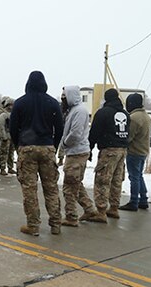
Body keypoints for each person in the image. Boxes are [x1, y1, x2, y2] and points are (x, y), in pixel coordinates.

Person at [9, 71, 64, 236]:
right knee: (51, 188)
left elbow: (12, 128)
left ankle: (33, 225)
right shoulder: (53, 103)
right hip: (47, 147)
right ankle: (56, 224)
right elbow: (59, 128)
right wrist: (52, 145)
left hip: (27, 148)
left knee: (29, 189)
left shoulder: (20, 103)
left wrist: (19, 145)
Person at [88, 88, 130, 223]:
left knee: (103, 180)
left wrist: (89, 147)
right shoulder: (125, 114)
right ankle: (114, 207)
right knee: (117, 180)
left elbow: (94, 132)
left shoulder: (103, 113)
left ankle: (101, 211)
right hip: (122, 149)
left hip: (109, 150)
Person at [60, 86, 97, 227]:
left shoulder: (79, 111)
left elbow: (75, 133)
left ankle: (71, 217)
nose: (62, 99)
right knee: (76, 184)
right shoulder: (74, 110)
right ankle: (89, 209)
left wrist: (64, 143)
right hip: (75, 152)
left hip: (76, 153)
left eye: (64, 96)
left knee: (69, 187)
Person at [119, 93, 151, 211]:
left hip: (134, 151)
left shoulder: (134, 118)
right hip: (143, 151)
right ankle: (143, 199)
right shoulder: (146, 116)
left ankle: (133, 202)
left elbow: (129, 136)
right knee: (139, 176)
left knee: (134, 177)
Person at [0, 97, 16, 175]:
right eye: (9, 105)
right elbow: (1, 126)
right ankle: (2, 168)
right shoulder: (4, 115)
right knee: (4, 153)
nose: (11, 107)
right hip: (6, 136)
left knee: (11, 153)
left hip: (12, 136)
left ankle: (10, 167)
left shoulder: (15, 114)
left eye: (12, 105)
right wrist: (3, 136)